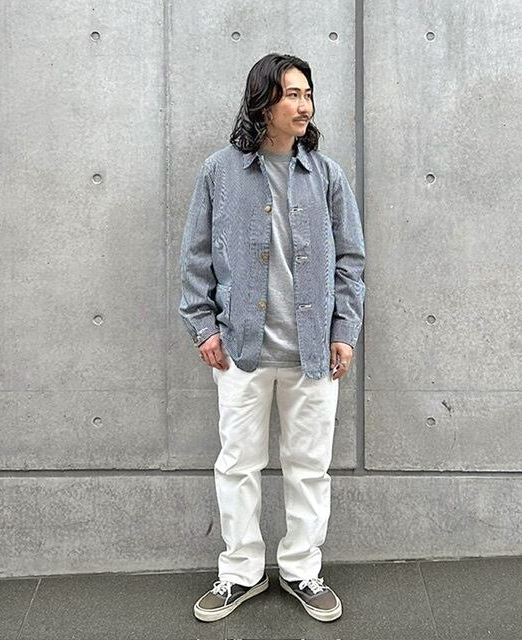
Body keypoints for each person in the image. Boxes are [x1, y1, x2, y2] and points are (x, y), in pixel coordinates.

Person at [178, 52, 365, 623]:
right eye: (292, 94)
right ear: (263, 101)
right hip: (242, 351)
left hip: (314, 350)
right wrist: (203, 327)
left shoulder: (327, 174)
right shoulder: (220, 171)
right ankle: (240, 573)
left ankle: (303, 569)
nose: (304, 105)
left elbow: (351, 261)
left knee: (309, 467)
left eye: (308, 94)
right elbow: (196, 256)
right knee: (238, 465)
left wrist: (344, 331)